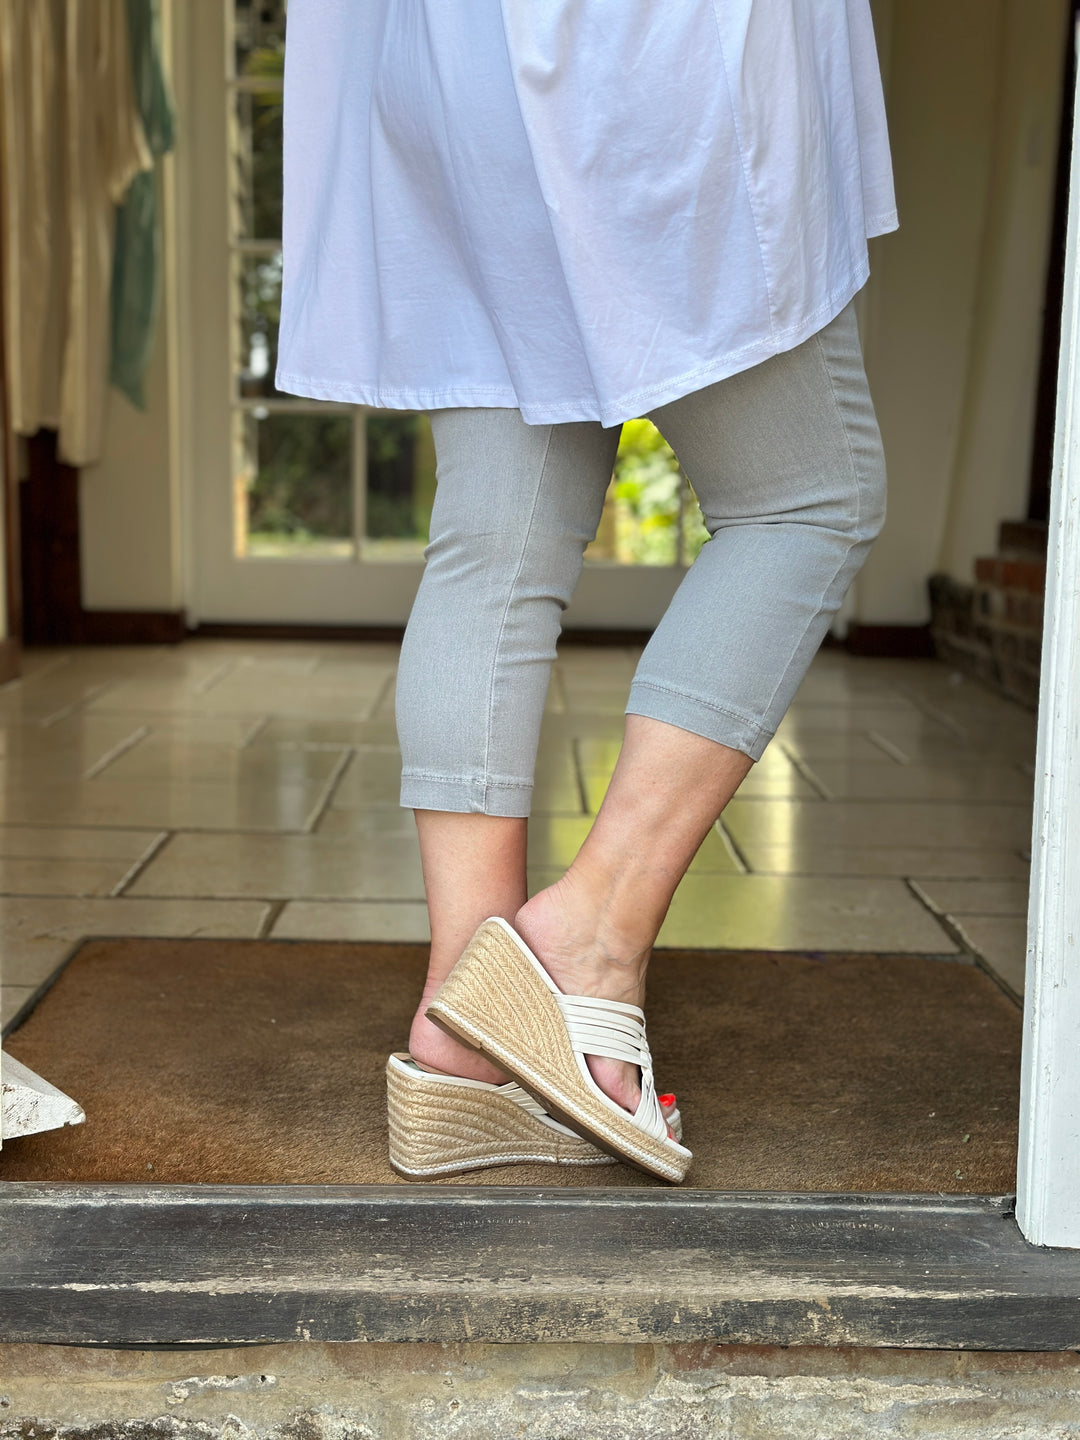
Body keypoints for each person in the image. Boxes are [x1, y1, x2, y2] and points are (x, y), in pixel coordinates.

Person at [276, 0, 897, 1183]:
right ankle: (591, 938)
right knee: (809, 500)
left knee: (497, 541)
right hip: (648, 66)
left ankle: (467, 1035)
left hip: (452, 69)